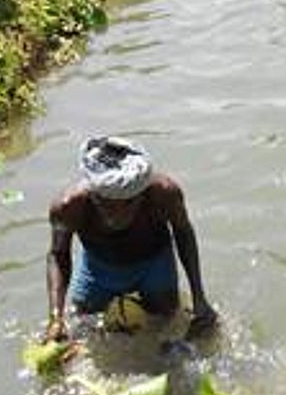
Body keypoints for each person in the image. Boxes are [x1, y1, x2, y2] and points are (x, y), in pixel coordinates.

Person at [44, 136, 218, 342]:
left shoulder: (165, 194)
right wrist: (56, 317)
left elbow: (183, 233)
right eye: (106, 203)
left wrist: (200, 298)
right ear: (93, 193)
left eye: (127, 203)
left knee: (167, 319)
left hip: (154, 263)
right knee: (81, 325)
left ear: (141, 192)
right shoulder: (68, 207)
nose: (115, 213)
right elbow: (58, 254)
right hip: (98, 267)